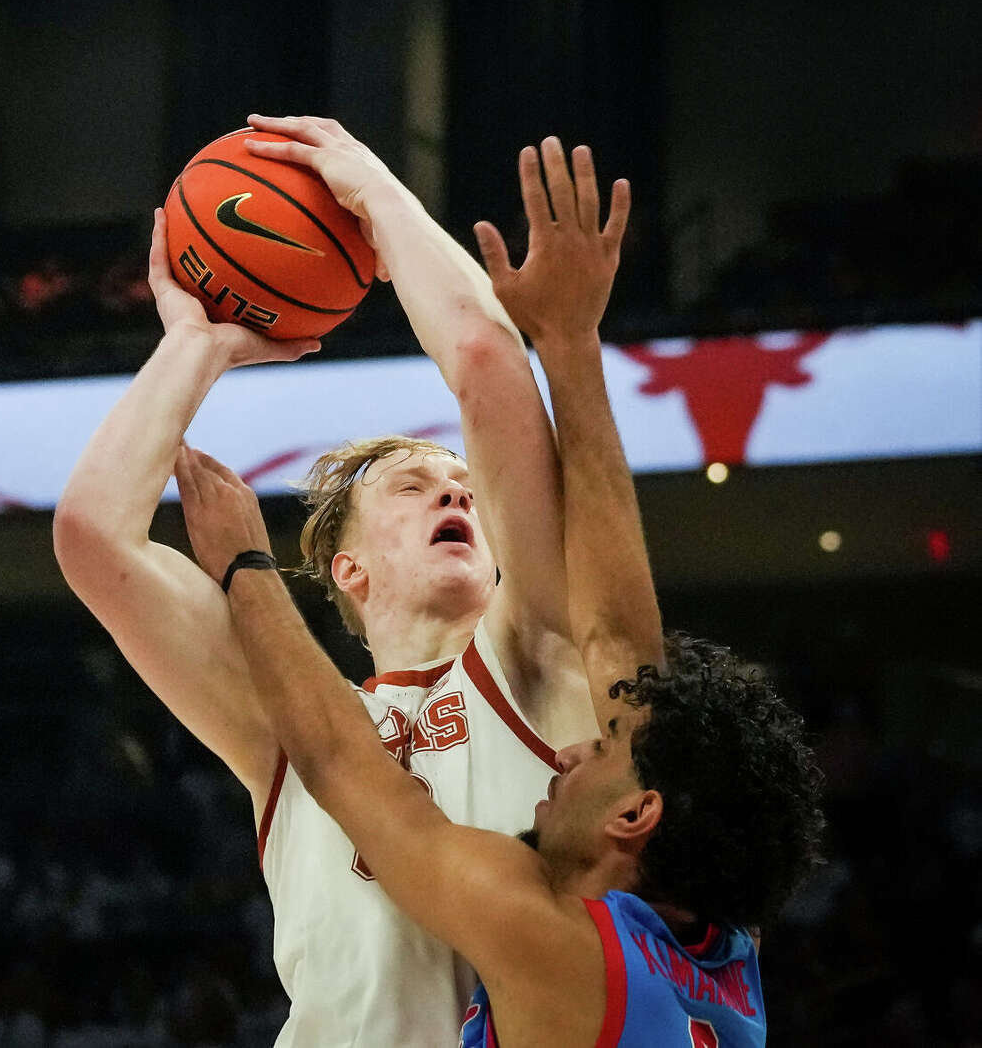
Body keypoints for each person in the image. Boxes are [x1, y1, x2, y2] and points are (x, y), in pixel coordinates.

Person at [177, 138, 825, 1046]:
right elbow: (616, 638)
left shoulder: (554, 941)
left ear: (637, 818)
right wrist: (567, 346)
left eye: (598, 754)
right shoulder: (717, 941)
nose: (566, 756)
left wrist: (246, 567)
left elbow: (343, 764)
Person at [54, 118, 598, 1044]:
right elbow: (94, 538)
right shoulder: (289, 724)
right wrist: (198, 343)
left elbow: (487, 365)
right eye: (414, 485)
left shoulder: (541, 656)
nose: (454, 490)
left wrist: (379, 197)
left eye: (462, 485)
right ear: (346, 568)